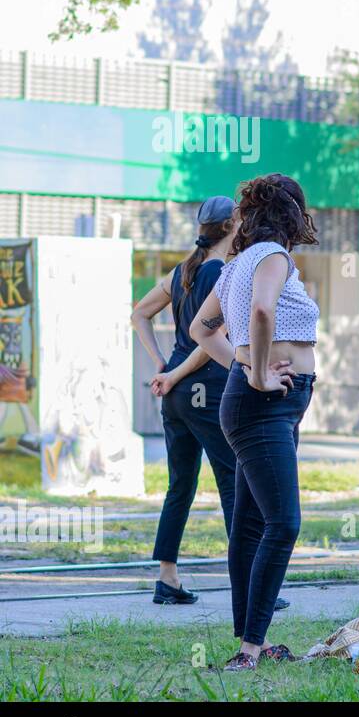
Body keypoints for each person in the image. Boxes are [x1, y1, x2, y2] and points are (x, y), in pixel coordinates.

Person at [191, 174, 318, 670]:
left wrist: (246, 366)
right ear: (293, 215)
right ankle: (250, 649)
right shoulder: (272, 256)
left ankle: (252, 644)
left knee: (248, 525)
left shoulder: (238, 262)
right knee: (283, 523)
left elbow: (202, 329)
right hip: (264, 403)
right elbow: (263, 311)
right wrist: (259, 372)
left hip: (264, 402)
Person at [130, 196, 242, 605]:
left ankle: (168, 578)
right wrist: (173, 371)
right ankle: (247, 581)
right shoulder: (222, 274)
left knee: (180, 486)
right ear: (232, 224)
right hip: (204, 388)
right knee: (233, 483)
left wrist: (162, 363)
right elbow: (210, 338)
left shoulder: (184, 270)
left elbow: (140, 313)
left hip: (175, 393)